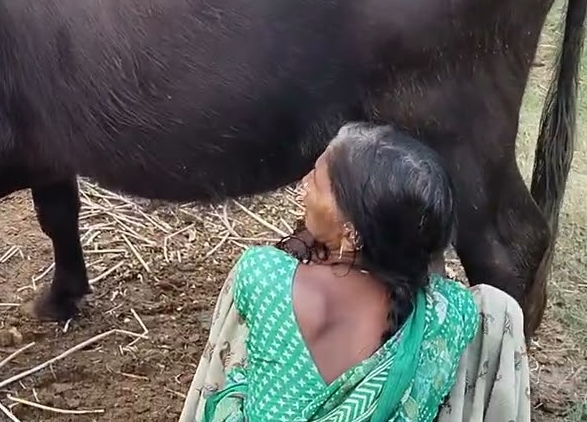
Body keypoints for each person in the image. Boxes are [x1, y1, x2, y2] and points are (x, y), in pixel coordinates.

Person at [180, 122, 532, 422]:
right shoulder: (448, 315)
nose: (304, 184)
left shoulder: (264, 276)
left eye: (317, 181)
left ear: (352, 227)